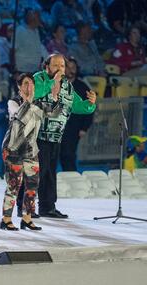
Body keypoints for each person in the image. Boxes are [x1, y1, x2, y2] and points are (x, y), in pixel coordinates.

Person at [23, 54, 96, 219]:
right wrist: (53, 82)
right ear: (46, 66)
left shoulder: (67, 86)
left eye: (62, 66)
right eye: (56, 65)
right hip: (36, 136)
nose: (60, 69)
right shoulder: (39, 78)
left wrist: (90, 104)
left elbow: (78, 106)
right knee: (35, 173)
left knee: (49, 173)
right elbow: (34, 94)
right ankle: (26, 207)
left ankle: (48, 207)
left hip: (55, 137)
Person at [1, 73, 61, 232]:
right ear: (19, 87)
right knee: (14, 185)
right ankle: (6, 219)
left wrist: (55, 96)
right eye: (26, 84)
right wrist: (28, 101)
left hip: (30, 150)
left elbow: (54, 113)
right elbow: (20, 117)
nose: (29, 87)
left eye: (31, 84)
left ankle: (27, 218)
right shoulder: (13, 102)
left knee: (33, 185)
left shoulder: (39, 104)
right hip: (13, 148)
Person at [59, 57, 94, 172]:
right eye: (68, 67)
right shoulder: (56, 85)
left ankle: (71, 179)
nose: (70, 70)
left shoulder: (83, 87)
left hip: (73, 128)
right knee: (52, 156)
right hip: (56, 127)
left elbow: (89, 109)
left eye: (73, 67)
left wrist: (84, 128)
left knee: (68, 155)